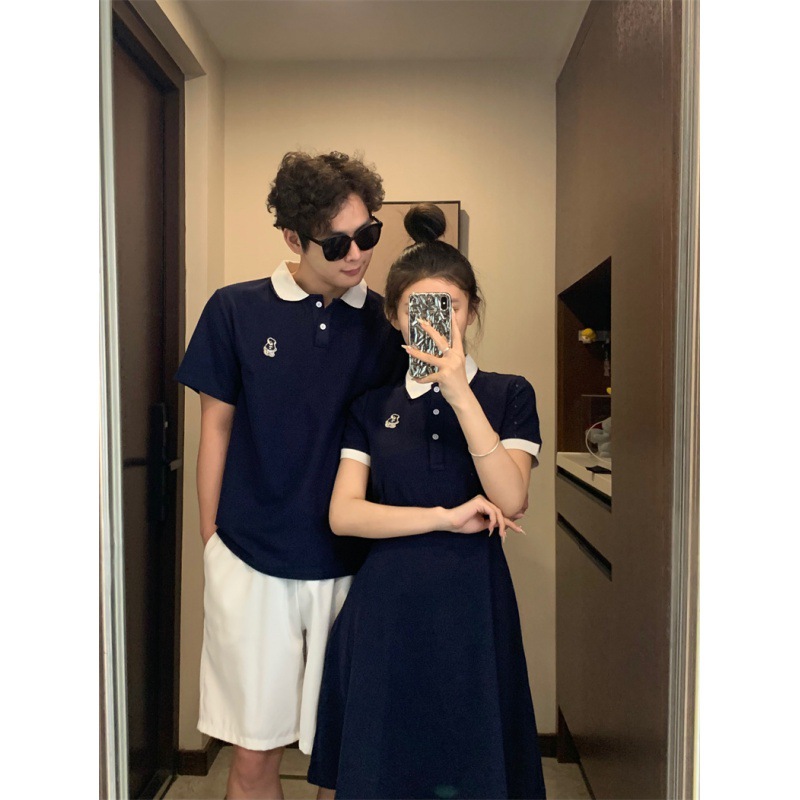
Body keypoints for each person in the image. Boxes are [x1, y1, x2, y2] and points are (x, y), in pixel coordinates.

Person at [176, 151, 405, 800]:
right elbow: (215, 428)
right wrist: (212, 539)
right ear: (292, 238)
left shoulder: (386, 323)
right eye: (337, 242)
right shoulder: (235, 310)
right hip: (252, 557)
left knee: (345, 762)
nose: (357, 253)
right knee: (253, 760)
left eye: (368, 234)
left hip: (355, 562)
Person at [307, 204, 547, 799]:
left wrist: (459, 392)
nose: (436, 321)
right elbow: (345, 513)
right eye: (418, 308)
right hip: (386, 606)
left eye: (450, 307)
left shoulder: (509, 394)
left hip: (474, 604)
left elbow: (511, 497)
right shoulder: (371, 405)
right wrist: (444, 517)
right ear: (394, 316)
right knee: (381, 770)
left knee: (472, 766)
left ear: (471, 311)